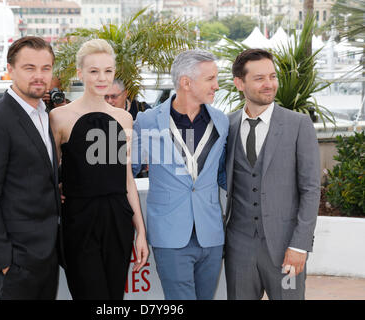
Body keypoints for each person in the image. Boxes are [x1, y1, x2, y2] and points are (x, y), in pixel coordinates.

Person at [49, 39, 148, 300]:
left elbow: (126, 179)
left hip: (118, 220)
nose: (102, 78)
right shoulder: (59, 117)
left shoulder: (124, 118)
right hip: (79, 220)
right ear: (80, 73)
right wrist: (59, 188)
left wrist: (141, 232)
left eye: (108, 71)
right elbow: (49, 173)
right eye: (94, 71)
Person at [131, 50, 228, 300]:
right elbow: (126, 172)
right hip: (170, 235)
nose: (216, 85)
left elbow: (222, 173)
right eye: (210, 79)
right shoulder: (148, 120)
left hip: (211, 235)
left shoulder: (222, 122)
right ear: (186, 82)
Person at [224, 49, 320, 300]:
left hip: (286, 250)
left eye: (272, 76)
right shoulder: (227, 126)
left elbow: (311, 190)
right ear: (239, 83)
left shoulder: (299, 125)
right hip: (239, 249)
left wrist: (300, 245)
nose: (269, 85)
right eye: (259, 78)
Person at [0, 36, 62, 300]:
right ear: (10, 69)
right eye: (29, 68)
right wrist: (5, 261)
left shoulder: (44, 114)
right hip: (18, 259)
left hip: (47, 253)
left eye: (45, 68)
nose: (39, 76)